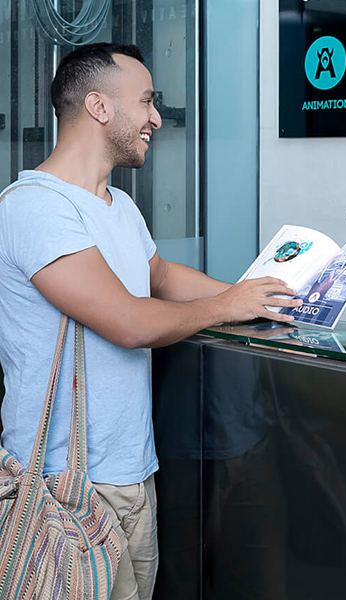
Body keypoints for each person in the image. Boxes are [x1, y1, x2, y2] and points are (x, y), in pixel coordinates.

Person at [0, 43, 302, 600]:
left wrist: (271, 299)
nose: (156, 118)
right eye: (146, 101)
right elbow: (129, 322)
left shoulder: (117, 204)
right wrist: (226, 307)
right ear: (98, 106)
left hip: (131, 472)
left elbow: (159, 276)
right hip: (63, 484)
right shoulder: (36, 207)